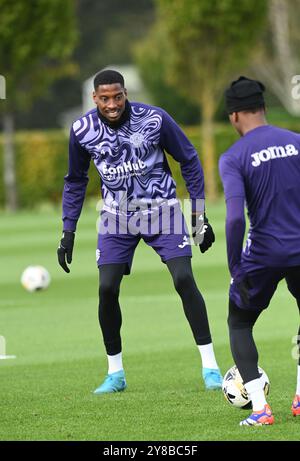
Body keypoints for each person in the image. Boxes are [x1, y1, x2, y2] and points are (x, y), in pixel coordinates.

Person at [57, 69, 222, 394]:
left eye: (117, 96)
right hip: (116, 217)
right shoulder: (82, 129)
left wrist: (199, 215)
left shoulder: (155, 119)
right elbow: (75, 180)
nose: (112, 104)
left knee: (184, 279)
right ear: (94, 98)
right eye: (104, 98)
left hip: (163, 211)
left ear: (125, 93)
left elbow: (188, 159)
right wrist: (68, 231)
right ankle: (115, 373)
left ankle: (211, 367)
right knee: (106, 288)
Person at [219, 75, 300, 426]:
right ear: (264, 108)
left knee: (239, 322)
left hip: (263, 253)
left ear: (233, 117)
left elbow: (235, 217)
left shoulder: (234, 156)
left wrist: (235, 264)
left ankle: (260, 409)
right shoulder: (296, 142)